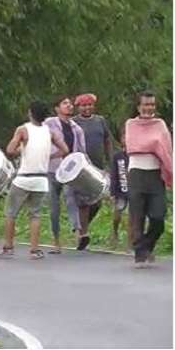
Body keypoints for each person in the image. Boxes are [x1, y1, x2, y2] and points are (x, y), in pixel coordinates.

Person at [0, 101, 69, 259]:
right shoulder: (50, 132)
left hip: (24, 177)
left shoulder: (23, 130)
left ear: (30, 113)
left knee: (11, 213)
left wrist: (21, 149)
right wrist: (49, 156)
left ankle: (8, 246)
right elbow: (65, 150)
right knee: (35, 215)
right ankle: (34, 250)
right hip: (41, 179)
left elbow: (9, 149)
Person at [124, 90, 172, 267]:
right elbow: (134, 145)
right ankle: (140, 253)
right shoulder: (131, 124)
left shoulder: (160, 124)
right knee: (138, 216)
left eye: (152, 104)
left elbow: (166, 149)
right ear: (139, 106)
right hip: (137, 173)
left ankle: (146, 246)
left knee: (158, 217)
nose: (149, 108)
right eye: (145, 104)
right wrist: (154, 144)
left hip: (155, 174)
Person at [44, 95, 87, 253]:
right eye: (65, 103)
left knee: (71, 199)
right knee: (54, 206)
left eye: (70, 103)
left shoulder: (77, 129)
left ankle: (78, 234)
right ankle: (56, 241)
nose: (69, 106)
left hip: (69, 171)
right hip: (52, 169)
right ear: (57, 108)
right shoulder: (49, 124)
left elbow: (82, 152)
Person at [72, 93, 113, 248]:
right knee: (83, 202)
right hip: (82, 169)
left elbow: (108, 141)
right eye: (83, 105)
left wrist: (110, 162)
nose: (87, 108)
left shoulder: (100, 121)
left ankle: (80, 227)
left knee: (97, 202)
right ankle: (83, 235)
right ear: (79, 107)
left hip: (98, 166)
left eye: (89, 105)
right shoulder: (74, 122)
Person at [110, 125, 131, 249]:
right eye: (124, 136)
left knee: (131, 217)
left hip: (134, 191)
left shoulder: (136, 154)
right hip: (121, 190)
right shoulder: (118, 156)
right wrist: (113, 192)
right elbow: (114, 175)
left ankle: (130, 243)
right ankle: (115, 231)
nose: (126, 139)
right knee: (117, 214)